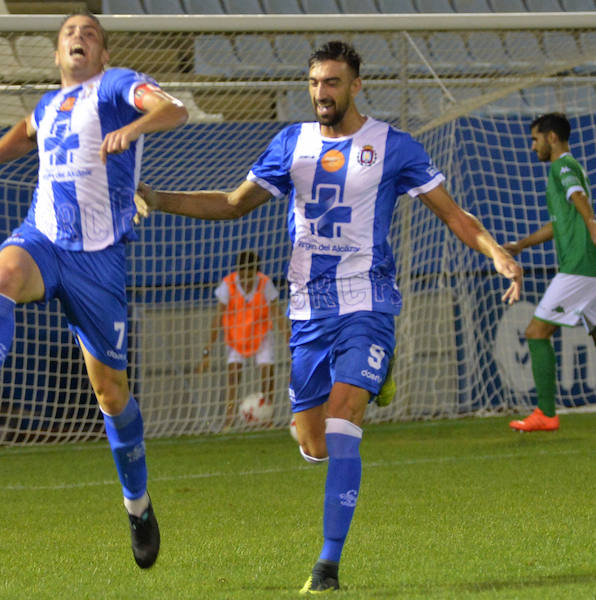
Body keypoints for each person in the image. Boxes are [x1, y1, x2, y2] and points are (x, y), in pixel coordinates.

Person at [137, 40, 522, 593]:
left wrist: (497, 253)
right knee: (312, 441)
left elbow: (453, 214)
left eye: (333, 83)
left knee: (344, 426)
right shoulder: (290, 142)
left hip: (368, 297)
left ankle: (327, 565)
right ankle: (371, 380)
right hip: (307, 308)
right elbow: (232, 203)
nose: (322, 93)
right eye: (315, 83)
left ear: (356, 85)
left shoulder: (393, 146)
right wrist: (159, 196)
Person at [0, 11, 188, 569]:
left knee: (111, 396)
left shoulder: (118, 85)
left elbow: (176, 109)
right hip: (44, 238)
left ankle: (138, 505)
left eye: (90, 32)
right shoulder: (49, 106)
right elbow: (26, 132)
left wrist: (134, 128)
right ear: (56, 53)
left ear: (102, 52)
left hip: (99, 262)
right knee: (2, 275)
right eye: (70, 32)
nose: (79, 37)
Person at [504, 113, 596, 433]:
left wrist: (592, 223)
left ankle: (546, 412)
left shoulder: (563, 166)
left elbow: (577, 196)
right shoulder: (565, 170)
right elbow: (558, 224)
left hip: (579, 268)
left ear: (552, 137)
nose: (533, 147)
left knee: (536, 332)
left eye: (535, 139)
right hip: (588, 267)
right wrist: (521, 244)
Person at [199, 250, 286, 429]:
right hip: (235, 336)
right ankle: (229, 418)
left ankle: (267, 417)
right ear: (238, 271)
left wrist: (291, 341)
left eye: (250, 277)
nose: (246, 281)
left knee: (267, 372)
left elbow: (277, 314)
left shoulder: (265, 283)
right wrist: (207, 350)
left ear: (256, 273)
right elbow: (218, 317)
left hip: (260, 335)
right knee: (233, 375)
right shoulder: (228, 284)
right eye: (243, 276)